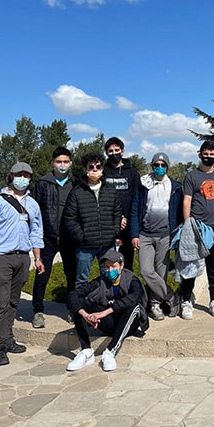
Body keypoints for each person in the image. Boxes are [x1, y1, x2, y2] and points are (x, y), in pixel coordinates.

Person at [0, 162, 45, 366]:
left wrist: (37, 258)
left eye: (27, 175)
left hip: (22, 257)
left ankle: (7, 338)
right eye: (19, 174)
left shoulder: (32, 204)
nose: (23, 178)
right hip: (0, 258)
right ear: (11, 176)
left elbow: (36, 232)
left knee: (13, 301)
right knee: (0, 302)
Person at [66, 249, 148, 372]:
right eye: (107, 267)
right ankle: (86, 350)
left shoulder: (132, 280)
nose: (110, 270)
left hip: (127, 324)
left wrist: (104, 312)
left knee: (133, 307)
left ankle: (110, 351)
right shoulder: (100, 281)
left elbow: (133, 298)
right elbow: (73, 294)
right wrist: (85, 314)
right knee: (80, 303)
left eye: (113, 266)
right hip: (107, 323)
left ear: (122, 265)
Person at [179, 141, 214, 320]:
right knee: (190, 266)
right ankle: (186, 301)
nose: (208, 157)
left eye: (212, 154)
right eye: (205, 153)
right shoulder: (191, 176)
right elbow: (186, 200)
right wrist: (188, 226)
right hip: (196, 227)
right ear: (199, 154)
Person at [130, 152, 183, 320]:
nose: (159, 168)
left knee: (161, 273)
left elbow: (180, 211)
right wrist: (134, 234)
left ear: (167, 166)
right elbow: (135, 208)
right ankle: (171, 297)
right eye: (156, 165)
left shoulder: (175, 187)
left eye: (162, 165)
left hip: (165, 235)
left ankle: (155, 304)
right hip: (145, 234)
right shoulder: (144, 184)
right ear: (152, 166)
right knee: (146, 270)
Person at [31, 147, 78, 328]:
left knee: (72, 275)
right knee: (42, 274)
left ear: (71, 163)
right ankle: (38, 310)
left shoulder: (75, 182)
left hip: (69, 238)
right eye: (59, 162)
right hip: (47, 238)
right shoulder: (43, 183)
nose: (62, 165)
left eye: (66, 162)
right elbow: (35, 211)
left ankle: (73, 309)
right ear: (53, 163)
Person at [62, 152, 122, 288]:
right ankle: (79, 307)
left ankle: (107, 304)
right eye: (91, 167)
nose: (95, 170)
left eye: (98, 167)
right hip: (85, 246)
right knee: (81, 280)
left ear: (102, 169)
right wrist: (81, 236)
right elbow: (69, 218)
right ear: (85, 169)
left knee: (109, 277)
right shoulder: (77, 192)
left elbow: (117, 213)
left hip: (107, 244)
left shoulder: (110, 190)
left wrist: (114, 231)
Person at [102, 136, 140, 270]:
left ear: (123, 151)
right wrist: (116, 218)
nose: (114, 153)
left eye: (117, 150)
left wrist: (129, 220)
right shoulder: (102, 173)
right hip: (108, 223)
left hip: (128, 224)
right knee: (108, 260)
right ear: (106, 153)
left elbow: (136, 199)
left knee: (127, 260)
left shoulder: (133, 173)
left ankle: (127, 286)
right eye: (110, 151)